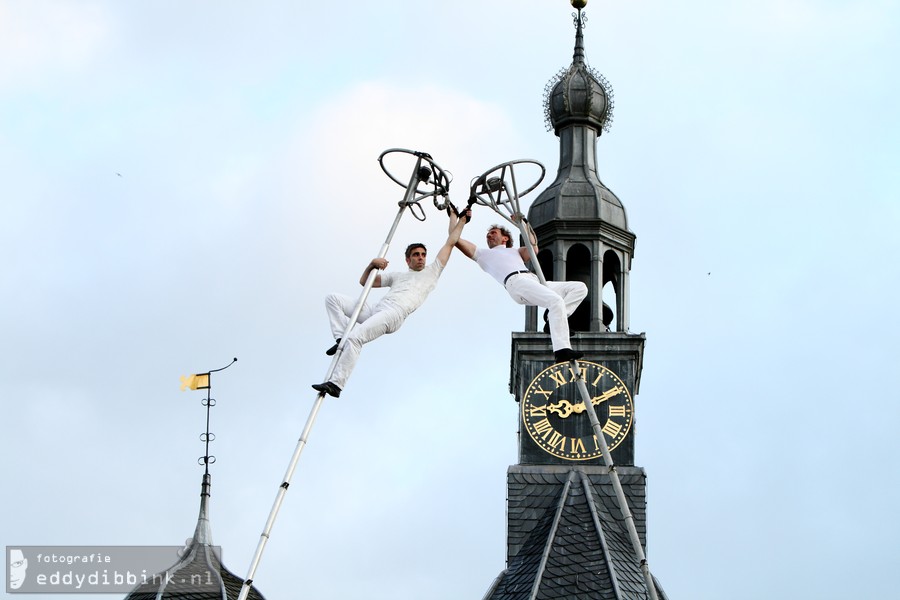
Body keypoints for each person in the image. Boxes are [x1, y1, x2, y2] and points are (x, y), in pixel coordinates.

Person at [312, 214, 467, 397]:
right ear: (408, 260)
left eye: (423, 255)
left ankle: (336, 384)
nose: (421, 258)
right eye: (416, 255)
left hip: (394, 314)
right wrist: (372, 264)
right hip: (377, 308)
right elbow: (365, 282)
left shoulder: (432, 272)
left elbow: (451, 242)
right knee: (333, 298)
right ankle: (340, 339)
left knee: (355, 338)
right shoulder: (397, 276)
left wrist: (459, 220)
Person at [455, 212, 587, 363]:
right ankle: (562, 350)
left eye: (493, 233)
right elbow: (455, 239)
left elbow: (533, 247)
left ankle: (554, 320)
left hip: (533, 281)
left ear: (505, 238)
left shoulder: (515, 251)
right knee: (556, 301)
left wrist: (523, 223)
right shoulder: (482, 254)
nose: (489, 236)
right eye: (488, 234)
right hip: (516, 282)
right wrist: (460, 220)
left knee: (579, 288)